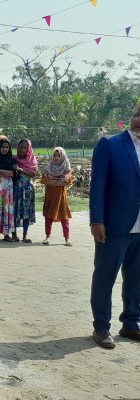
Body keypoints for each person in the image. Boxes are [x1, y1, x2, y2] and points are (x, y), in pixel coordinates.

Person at [88, 104, 140, 349]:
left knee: (136, 278)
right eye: (137, 115)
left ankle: (131, 322)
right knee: (105, 276)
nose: (139, 120)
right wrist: (96, 220)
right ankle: (101, 326)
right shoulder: (110, 144)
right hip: (114, 225)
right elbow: (98, 185)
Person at [40, 147, 73, 247]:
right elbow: (45, 181)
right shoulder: (48, 168)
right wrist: (58, 181)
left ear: (63, 157)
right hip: (50, 195)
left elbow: (67, 182)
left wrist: (53, 182)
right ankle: (47, 236)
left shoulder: (67, 169)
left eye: (59, 155)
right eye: (54, 155)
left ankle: (67, 238)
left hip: (61, 196)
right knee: (48, 217)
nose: (56, 157)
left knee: (64, 217)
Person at [12, 139, 38, 243]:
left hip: (27, 189)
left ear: (28, 149)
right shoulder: (14, 159)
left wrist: (21, 170)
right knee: (14, 210)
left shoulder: (32, 160)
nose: (22, 149)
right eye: (20, 147)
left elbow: (33, 173)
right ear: (17, 147)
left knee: (26, 212)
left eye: (25, 148)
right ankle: (14, 234)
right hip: (16, 189)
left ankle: (25, 235)